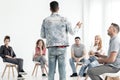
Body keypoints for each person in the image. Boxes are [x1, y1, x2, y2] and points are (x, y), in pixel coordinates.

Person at [40, 1, 82, 80]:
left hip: (51, 48)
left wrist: (50, 36)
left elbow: (42, 35)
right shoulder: (64, 19)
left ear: (50, 9)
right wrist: (77, 26)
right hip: (62, 48)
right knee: (62, 71)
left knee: (51, 71)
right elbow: (72, 32)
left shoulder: (46, 20)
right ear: (58, 8)